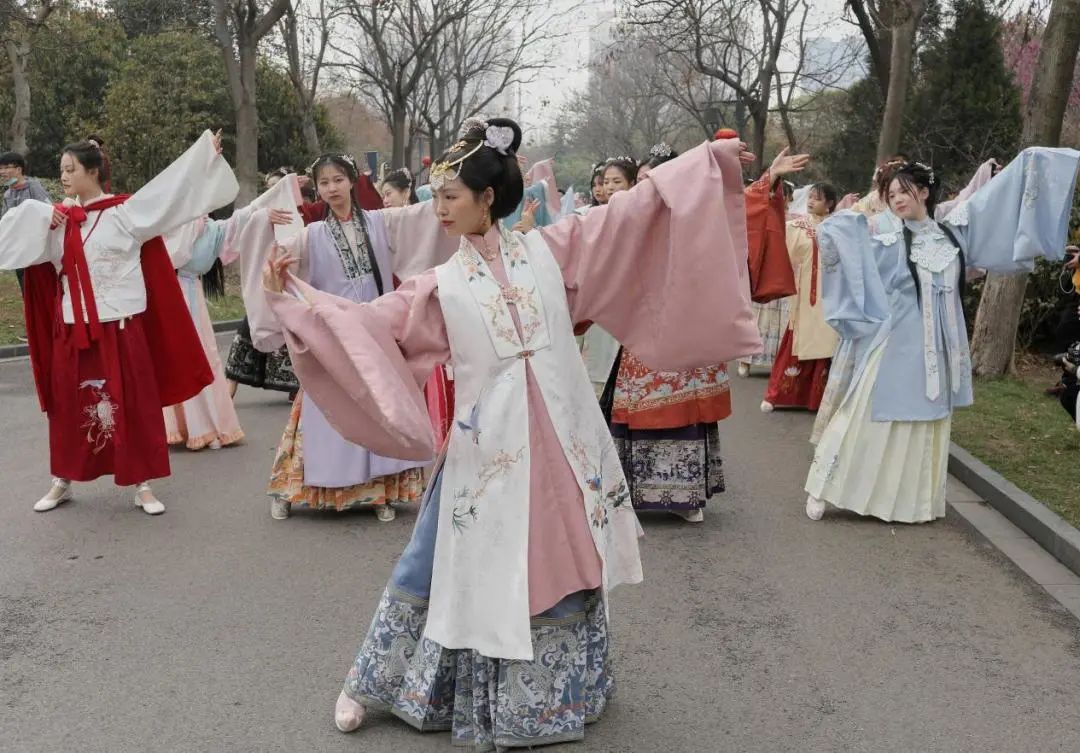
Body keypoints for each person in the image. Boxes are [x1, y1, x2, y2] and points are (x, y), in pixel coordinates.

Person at [262, 116, 760, 745]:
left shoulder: (551, 250)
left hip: (562, 434)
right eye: (435, 197)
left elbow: (634, 212)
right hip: (486, 445)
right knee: (432, 559)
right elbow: (370, 328)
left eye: (450, 197)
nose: (437, 209)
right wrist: (295, 305)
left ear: (486, 198)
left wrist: (708, 163)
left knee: (560, 560)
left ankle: (554, 696)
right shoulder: (438, 286)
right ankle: (374, 681)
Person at [806, 150, 1080, 523]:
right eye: (892, 195)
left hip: (940, 345)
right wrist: (844, 225)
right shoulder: (883, 233)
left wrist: (1032, 163)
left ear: (924, 192)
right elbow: (841, 243)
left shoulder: (952, 235)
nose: (897, 199)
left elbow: (994, 206)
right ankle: (826, 487)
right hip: (895, 341)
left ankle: (905, 503)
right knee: (866, 414)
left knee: (923, 421)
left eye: (904, 191)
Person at [0, 131, 238, 514]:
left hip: (122, 327)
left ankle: (142, 483)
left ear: (92, 171)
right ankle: (63, 478)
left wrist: (203, 156)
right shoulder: (56, 220)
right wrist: (43, 220)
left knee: (132, 404)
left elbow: (171, 192)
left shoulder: (126, 214)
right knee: (69, 406)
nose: (63, 176)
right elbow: (9, 241)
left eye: (69, 169)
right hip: (73, 328)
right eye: (61, 169)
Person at [238, 155, 437, 522]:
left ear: (351, 182)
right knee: (322, 408)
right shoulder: (310, 236)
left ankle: (380, 492)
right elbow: (270, 254)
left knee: (380, 405)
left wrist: (453, 184)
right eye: (324, 182)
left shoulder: (382, 222)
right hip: (331, 336)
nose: (331, 188)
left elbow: (424, 218)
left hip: (373, 330)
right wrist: (261, 223)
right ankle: (289, 489)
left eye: (338, 180)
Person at [161, 217, 245, 451]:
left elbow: (174, 255)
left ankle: (205, 426)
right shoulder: (185, 221)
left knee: (198, 355)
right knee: (182, 357)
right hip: (175, 291)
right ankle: (191, 426)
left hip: (184, 291)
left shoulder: (202, 224)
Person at [760, 182, 840, 413]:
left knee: (827, 341)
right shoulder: (797, 227)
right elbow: (780, 251)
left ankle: (816, 399)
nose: (812, 201)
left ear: (830, 204)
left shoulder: (838, 228)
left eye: (818, 198)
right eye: (811, 197)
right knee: (798, 338)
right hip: (805, 296)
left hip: (831, 297)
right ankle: (779, 395)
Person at [0, 150, 52, 296]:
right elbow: (5, 221)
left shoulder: (33, 187)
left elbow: (49, 210)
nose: (2, 172)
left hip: (36, 250)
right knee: (26, 290)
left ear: (18, 169)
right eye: (0, 168)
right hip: (19, 250)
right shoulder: (8, 194)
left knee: (41, 289)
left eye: (6, 167)